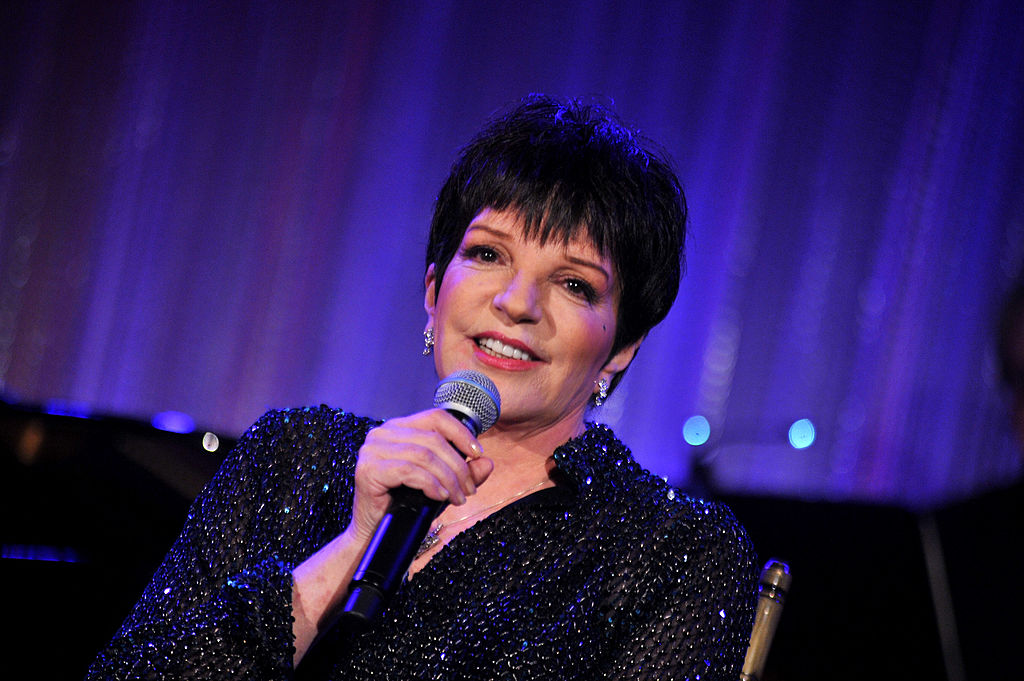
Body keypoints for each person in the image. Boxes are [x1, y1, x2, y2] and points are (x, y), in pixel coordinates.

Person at [87, 95, 758, 680]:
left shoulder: (671, 548)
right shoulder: (292, 456)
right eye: (488, 253)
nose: (517, 302)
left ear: (620, 349)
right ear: (434, 291)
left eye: (574, 283)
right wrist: (352, 545)